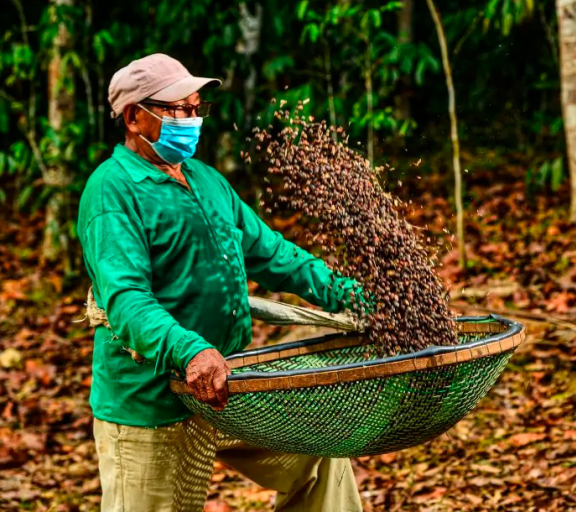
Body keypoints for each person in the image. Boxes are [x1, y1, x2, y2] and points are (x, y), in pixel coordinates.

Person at [77, 53, 367, 512]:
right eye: (178, 110)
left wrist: (352, 296)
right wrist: (190, 350)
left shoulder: (206, 180)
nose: (192, 120)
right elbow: (127, 299)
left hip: (229, 385)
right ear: (134, 117)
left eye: (197, 108)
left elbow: (272, 254)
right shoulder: (112, 191)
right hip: (153, 402)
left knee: (319, 457)